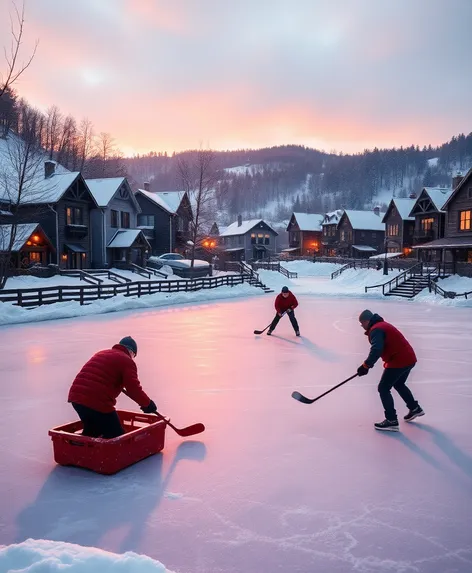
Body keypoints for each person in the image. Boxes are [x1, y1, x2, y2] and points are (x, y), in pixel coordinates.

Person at [68, 336, 157, 439]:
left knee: (92, 431)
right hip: (97, 401)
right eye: (133, 355)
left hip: (76, 397)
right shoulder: (127, 361)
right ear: (131, 352)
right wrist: (147, 403)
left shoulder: (102, 353)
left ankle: (76, 448)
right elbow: (133, 388)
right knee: (117, 435)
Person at [357, 310, 424, 431]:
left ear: (366, 321)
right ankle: (415, 408)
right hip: (409, 358)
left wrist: (366, 365)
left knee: (383, 388)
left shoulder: (376, 329)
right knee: (398, 383)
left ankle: (391, 420)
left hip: (399, 360)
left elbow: (376, 349)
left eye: (361, 323)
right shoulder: (382, 325)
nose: (362, 326)